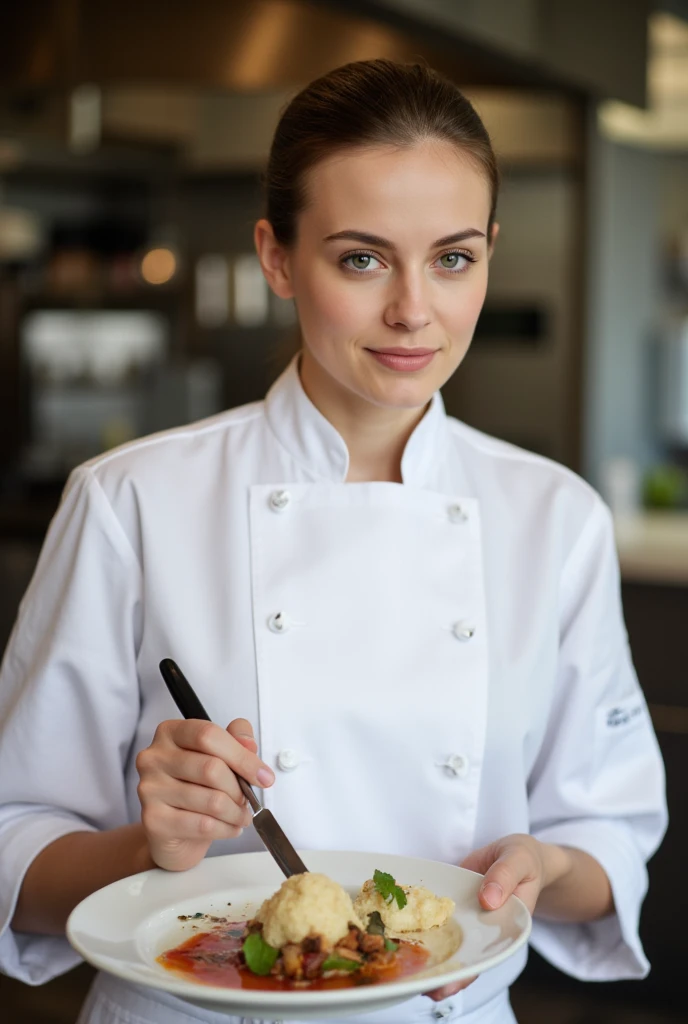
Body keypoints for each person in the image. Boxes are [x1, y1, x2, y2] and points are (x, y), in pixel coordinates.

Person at [0, 59, 667, 1024]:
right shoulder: (130, 499)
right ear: (277, 257)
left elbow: (608, 850)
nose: (413, 310)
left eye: (453, 258)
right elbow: (16, 845)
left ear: (489, 252)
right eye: (362, 258)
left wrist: (545, 864)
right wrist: (154, 848)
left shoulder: (554, 518)